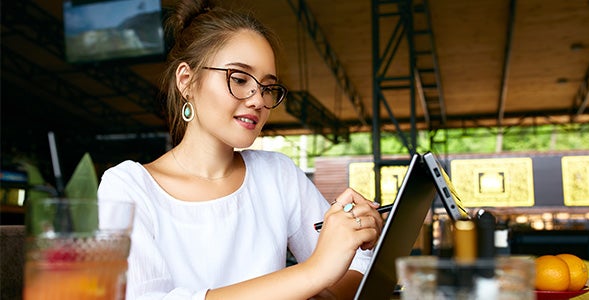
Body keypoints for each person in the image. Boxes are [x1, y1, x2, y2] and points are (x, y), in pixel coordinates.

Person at [97, 0, 384, 299]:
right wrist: (313, 273)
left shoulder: (276, 174)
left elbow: (358, 265)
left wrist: (355, 234)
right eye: (239, 78)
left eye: (267, 87)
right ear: (187, 81)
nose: (257, 99)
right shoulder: (129, 187)